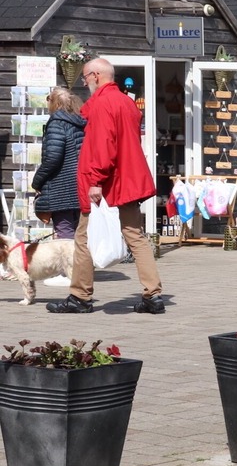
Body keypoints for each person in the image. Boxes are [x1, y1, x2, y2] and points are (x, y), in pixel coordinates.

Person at [48, 57, 164, 314]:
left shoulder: (101, 104)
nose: (84, 82)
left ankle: (80, 297)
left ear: (96, 76)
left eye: (85, 77)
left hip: (106, 183)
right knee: (136, 236)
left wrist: (96, 181)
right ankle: (153, 294)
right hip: (128, 180)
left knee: (83, 238)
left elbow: (103, 146)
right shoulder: (127, 102)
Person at [31, 87, 87, 239]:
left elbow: (53, 158)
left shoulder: (57, 124)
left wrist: (37, 182)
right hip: (80, 184)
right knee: (79, 234)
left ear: (53, 103)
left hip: (61, 187)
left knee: (64, 233)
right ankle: (81, 263)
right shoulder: (80, 123)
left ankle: (70, 264)